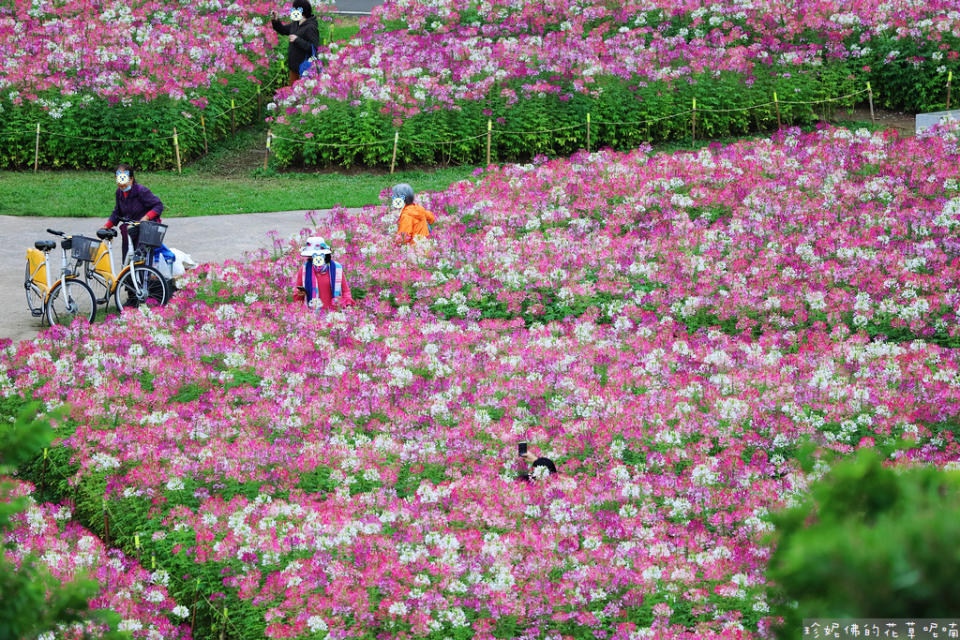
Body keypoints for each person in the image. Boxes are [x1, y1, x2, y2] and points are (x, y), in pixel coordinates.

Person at [100, 163, 164, 263]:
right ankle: (128, 276)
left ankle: (141, 276)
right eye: (119, 181)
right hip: (130, 230)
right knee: (127, 258)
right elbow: (117, 212)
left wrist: (146, 217)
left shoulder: (141, 191)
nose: (122, 185)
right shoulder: (119, 193)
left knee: (141, 259)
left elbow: (158, 205)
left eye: (124, 181)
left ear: (131, 179)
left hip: (145, 230)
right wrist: (107, 226)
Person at [294, 236, 354, 310]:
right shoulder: (304, 269)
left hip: (333, 314)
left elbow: (345, 291)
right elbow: (297, 296)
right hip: (313, 316)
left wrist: (348, 304)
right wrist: (300, 294)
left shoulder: (337, 268)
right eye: (310, 255)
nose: (311, 257)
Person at [270, 0, 320, 85]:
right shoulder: (296, 23)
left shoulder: (310, 27)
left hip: (305, 68)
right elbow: (283, 30)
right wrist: (276, 20)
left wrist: (297, 40)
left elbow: (313, 48)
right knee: (292, 94)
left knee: (303, 94)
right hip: (294, 67)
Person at [391, 183, 436, 263]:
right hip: (427, 246)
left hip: (415, 251)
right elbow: (431, 218)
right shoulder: (418, 208)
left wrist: (393, 243)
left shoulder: (406, 215)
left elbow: (404, 236)